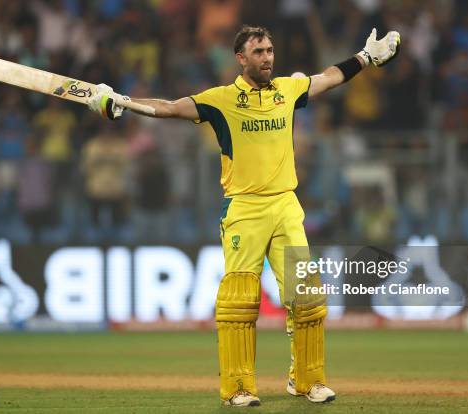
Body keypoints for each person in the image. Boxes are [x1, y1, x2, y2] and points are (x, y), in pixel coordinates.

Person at [87, 25, 400, 407]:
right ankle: (237, 388)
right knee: (239, 302)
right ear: (240, 58)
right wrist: (123, 101)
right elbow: (169, 107)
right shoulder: (220, 100)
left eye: (269, 50)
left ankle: (307, 381)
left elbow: (329, 78)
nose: (267, 57)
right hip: (244, 209)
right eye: (258, 52)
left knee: (308, 295)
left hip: (286, 205)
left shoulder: (288, 90)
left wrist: (365, 59)